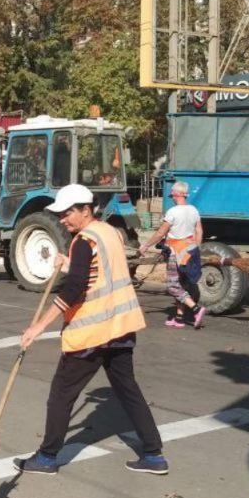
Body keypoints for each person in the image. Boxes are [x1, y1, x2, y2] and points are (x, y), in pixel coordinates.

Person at [16, 184, 169, 476]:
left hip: (91, 334)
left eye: (67, 213)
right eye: (60, 215)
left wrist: (38, 326)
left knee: (61, 394)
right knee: (128, 390)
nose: (63, 220)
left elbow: (75, 290)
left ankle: (48, 457)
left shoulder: (84, 240)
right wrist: (69, 265)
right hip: (120, 329)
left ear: (86, 209)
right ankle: (153, 455)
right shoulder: (108, 232)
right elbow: (99, 272)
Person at [141, 180, 205, 329]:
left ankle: (196, 309)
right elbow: (199, 231)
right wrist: (196, 246)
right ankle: (179, 318)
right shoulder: (194, 210)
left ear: (175, 195)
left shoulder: (173, 212)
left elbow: (161, 233)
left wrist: (145, 245)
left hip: (175, 253)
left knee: (172, 286)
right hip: (190, 252)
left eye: (172, 196)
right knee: (182, 284)